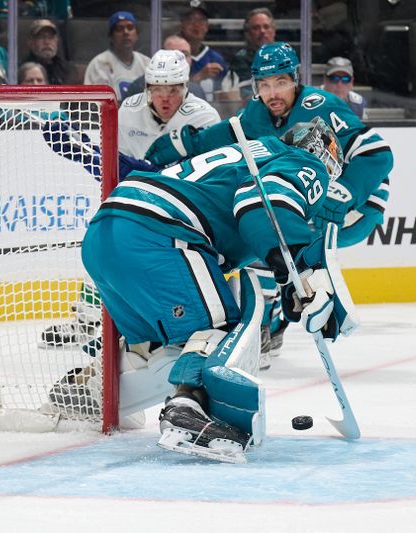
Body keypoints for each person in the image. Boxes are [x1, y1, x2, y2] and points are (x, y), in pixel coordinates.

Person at [81, 116, 356, 462]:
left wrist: (291, 281)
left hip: (105, 234)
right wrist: (304, 265)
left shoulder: (250, 153)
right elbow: (263, 206)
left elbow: (246, 223)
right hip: (161, 235)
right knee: (219, 328)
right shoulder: (304, 162)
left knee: (158, 346)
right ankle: (188, 410)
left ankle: (88, 391)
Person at [145, 43, 393, 363]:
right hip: (314, 195)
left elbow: (377, 151)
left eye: (280, 82)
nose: (272, 92)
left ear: (295, 79)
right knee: (260, 233)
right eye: (264, 84)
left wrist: (346, 192)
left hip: (360, 202)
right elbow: (225, 135)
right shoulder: (257, 113)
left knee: (276, 233)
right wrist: (182, 145)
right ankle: (273, 323)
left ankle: (298, 312)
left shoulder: (321, 105)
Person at [40, 50, 220, 353]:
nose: (166, 98)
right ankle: (87, 318)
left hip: (186, 211)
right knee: (108, 239)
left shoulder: (204, 118)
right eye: (158, 89)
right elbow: (115, 169)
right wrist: (89, 154)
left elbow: (191, 180)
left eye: (174, 90)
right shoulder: (126, 114)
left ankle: (141, 325)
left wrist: (91, 154)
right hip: (138, 199)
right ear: (148, 88)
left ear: (185, 88)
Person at [83, 11, 149, 102]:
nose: (126, 32)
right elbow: (95, 104)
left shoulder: (147, 63)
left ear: (137, 34)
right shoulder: (99, 64)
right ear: (111, 36)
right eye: (119, 29)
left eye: (130, 28)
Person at [126, 35, 206, 100]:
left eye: (185, 55)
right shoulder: (140, 87)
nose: (180, 60)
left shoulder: (197, 90)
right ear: (161, 56)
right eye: (174, 55)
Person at [177, 3, 227, 98]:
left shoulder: (216, 59)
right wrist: (197, 78)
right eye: (190, 19)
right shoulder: (172, 55)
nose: (196, 24)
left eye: (201, 20)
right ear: (182, 25)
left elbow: (223, 94)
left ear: (207, 27)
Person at [227, 7, 276, 100]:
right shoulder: (240, 60)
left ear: (273, 31)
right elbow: (246, 92)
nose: (262, 31)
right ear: (247, 34)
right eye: (256, 28)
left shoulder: (285, 57)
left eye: (266, 27)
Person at [21, 18, 80, 85]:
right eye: (41, 37)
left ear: (56, 41)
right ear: (30, 42)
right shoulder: (21, 70)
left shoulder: (68, 70)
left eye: (51, 37)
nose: (47, 42)